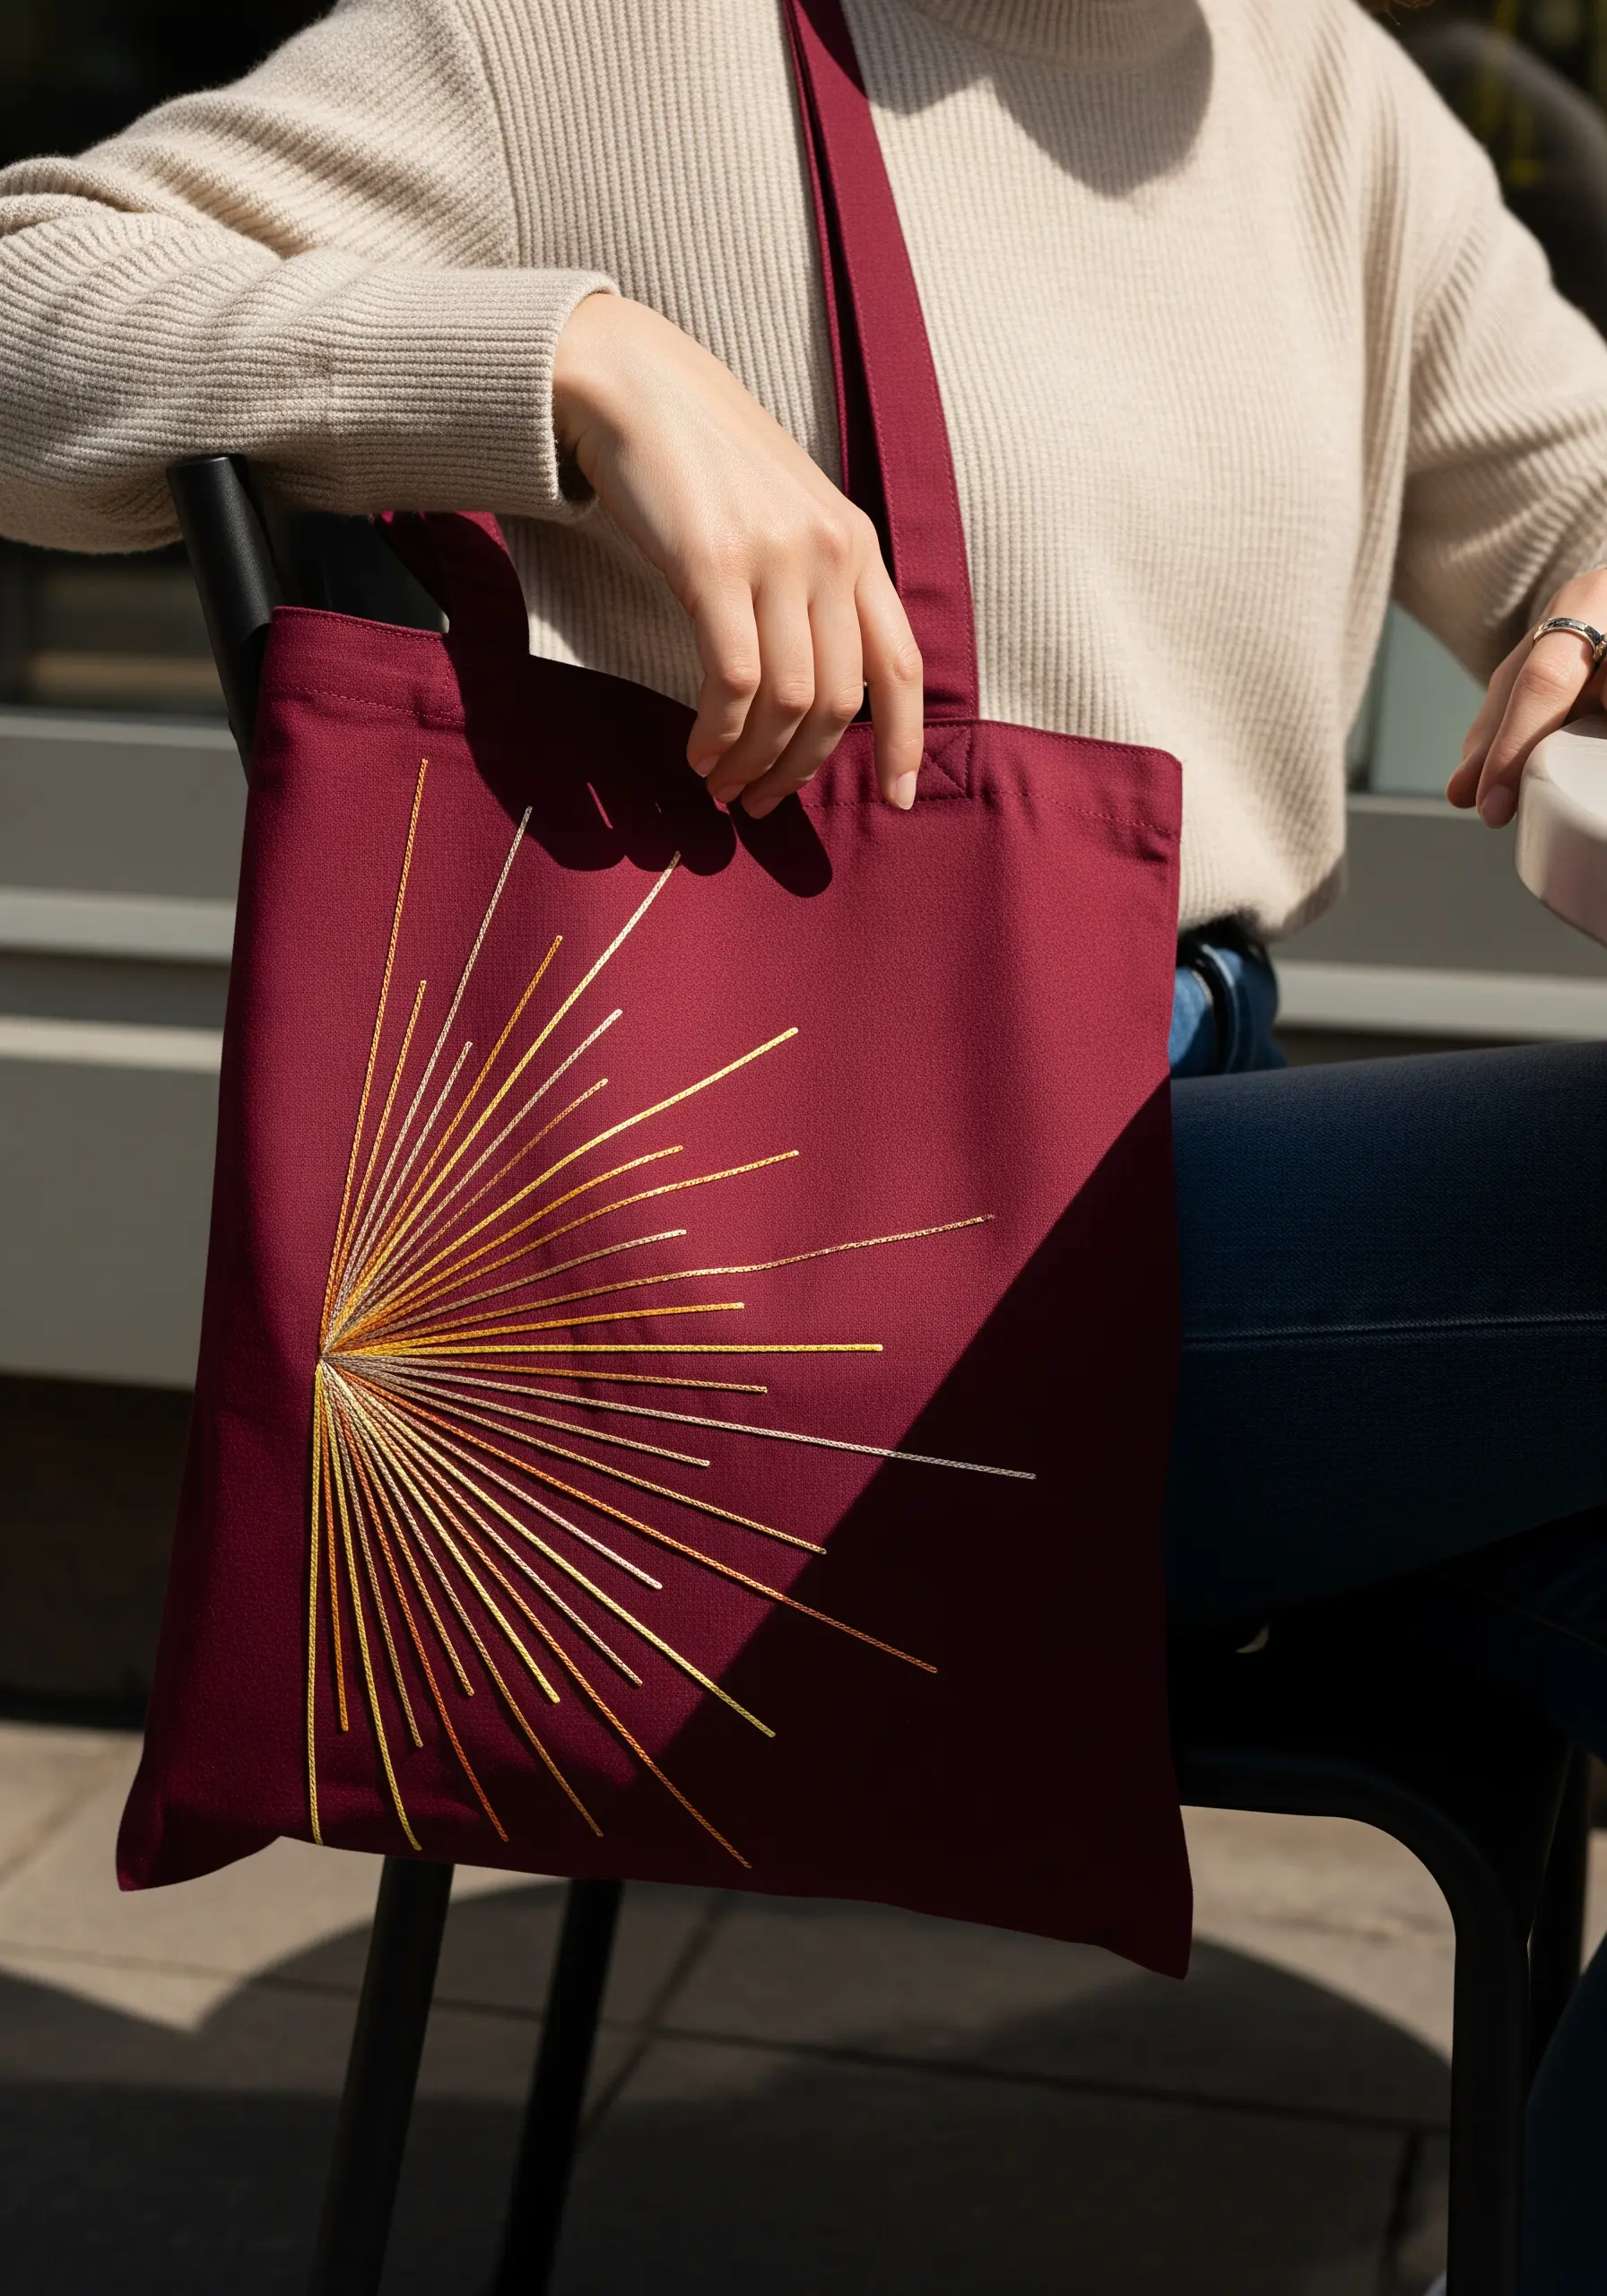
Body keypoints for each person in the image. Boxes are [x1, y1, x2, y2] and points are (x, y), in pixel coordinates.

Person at [2, 2, 1605, 2283]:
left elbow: (1568, 473)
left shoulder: (1304, 75)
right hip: (760, 1308)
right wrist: (575, 365)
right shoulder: (592, 36)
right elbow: (27, 297)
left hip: (1178, 1225)